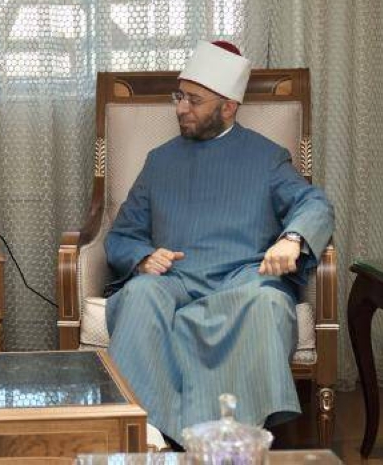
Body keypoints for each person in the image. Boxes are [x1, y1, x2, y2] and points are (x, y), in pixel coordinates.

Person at [104, 40, 334, 445]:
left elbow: (314, 203)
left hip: (243, 281)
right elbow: (123, 233)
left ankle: (233, 439)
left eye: (194, 100)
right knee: (139, 295)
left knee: (267, 303)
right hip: (174, 280)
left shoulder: (267, 158)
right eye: (179, 97)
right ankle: (146, 433)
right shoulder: (159, 161)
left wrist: (292, 239)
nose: (181, 108)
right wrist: (142, 257)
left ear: (228, 107)